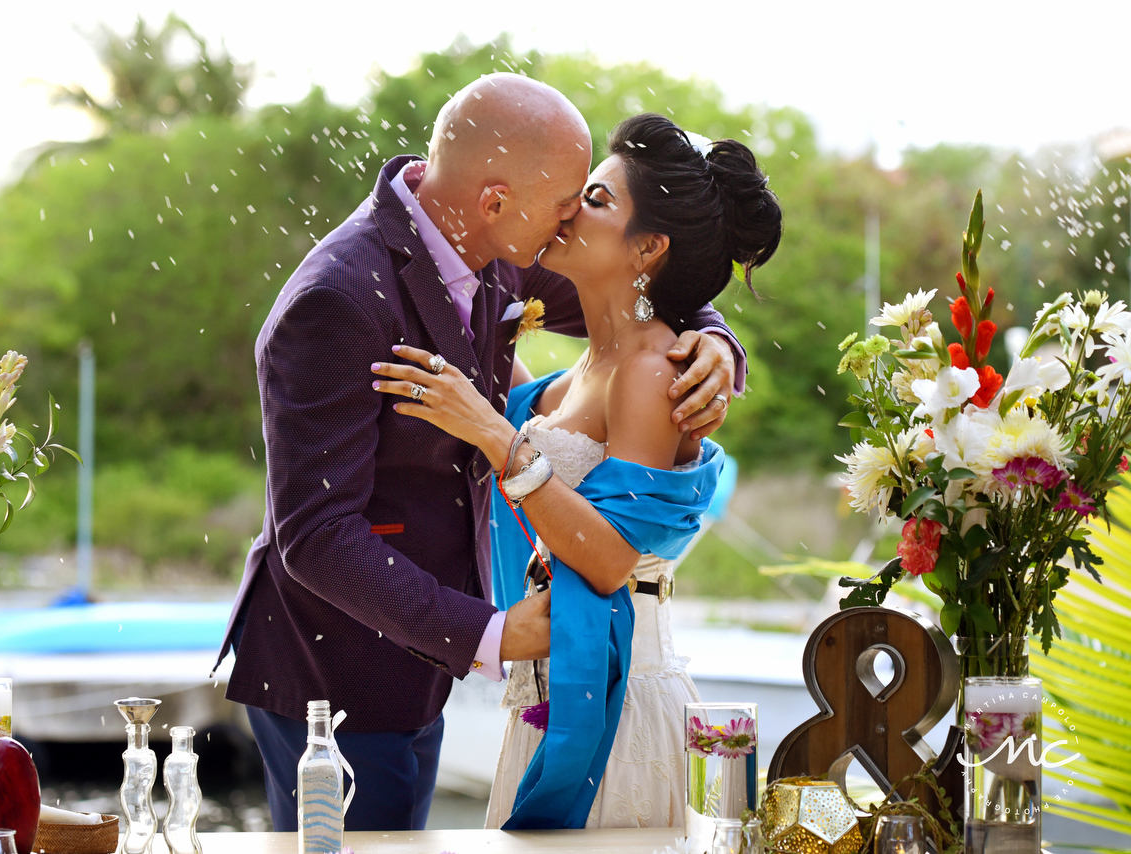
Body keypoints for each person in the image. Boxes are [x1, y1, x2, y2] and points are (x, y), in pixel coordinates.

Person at [216, 74, 749, 832]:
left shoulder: (499, 243)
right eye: (567, 199)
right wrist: (491, 637)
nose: (569, 219)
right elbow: (316, 536)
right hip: (338, 665)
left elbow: (650, 290)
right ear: (495, 200)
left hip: (439, 658)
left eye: (587, 201)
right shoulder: (335, 299)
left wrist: (719, 350)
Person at [370, 113, 781, 828]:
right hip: (547, 693)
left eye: (594, 200)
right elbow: (485, 384)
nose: (566, 209)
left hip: (616, 702)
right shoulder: (573, 378)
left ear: (648, 247)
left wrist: (496, 437)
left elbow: (609, 558)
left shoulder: (655, 372)